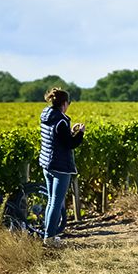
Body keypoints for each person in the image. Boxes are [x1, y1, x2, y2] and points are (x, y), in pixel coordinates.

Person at [39, 87, 84, 248]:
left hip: (47, 164)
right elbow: (70, 144)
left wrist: (70, 131)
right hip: (60, 166)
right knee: (56, 202)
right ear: (64, 103)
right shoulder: (61, 120)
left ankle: (48, 235)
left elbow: (58, 138)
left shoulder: (47, 116)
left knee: (51, 201)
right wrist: (80, 133)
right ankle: (49, 238)